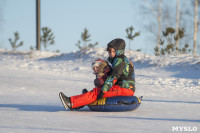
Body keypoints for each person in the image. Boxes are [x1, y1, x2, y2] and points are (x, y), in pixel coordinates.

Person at [59, 38, 135, 110]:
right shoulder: (120, 59)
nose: (111, 54)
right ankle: (80, 102)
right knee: (98, 90)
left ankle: (71, 102)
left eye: (113, 51)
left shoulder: (120, 61)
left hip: (125, 88)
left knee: (97, 92)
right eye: (109, 51)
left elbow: (114, 76)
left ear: (119, 51)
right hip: (123, 87)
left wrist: (103, 90)